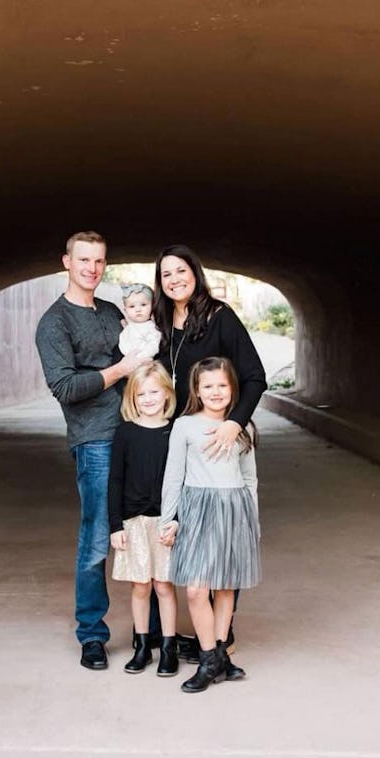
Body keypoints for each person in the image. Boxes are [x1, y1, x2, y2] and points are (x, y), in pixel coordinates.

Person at [35, 230, 144, 671]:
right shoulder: (54, 322)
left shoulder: (112, 312)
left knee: (146, 528)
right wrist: (119, 370)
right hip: (96, 439)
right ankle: (92, 635)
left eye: (99, 261)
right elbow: (65, 386)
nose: (92, 269)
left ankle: (152, 629)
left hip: (137, 431)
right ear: (67, 261)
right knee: (98, 535)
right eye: (84, 260)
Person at [152, 243, 266, 656]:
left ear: (195, 273)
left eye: (181, 271)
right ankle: (161, 633)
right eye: (166, 274)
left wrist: (234, 423)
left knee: (224, 538)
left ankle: (222, 636)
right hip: (175, 434)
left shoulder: (221, 318)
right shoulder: (160, 323)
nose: (174, 279)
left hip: (218, 436)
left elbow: (254, 377)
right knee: (178, 528)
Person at [160, 357, 261, 693]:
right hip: (198, 509)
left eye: (222, 385)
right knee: (196, 589)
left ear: (232, 389)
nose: (215, 392)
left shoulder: (243, 427)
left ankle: (219, 654)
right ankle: (208, 658)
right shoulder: (185, 426)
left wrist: (253, 523)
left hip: (234, 508)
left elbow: (250, 479)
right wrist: (168, 519)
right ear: (197, 391)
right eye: (208, 386)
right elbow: (173, 476)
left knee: (226, 587)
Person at [108, 361, 178, 676]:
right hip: (133, 521)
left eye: (154, 392)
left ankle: (168, 647)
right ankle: (141, 646)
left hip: (164, 520)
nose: (148, 399)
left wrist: (177, 520)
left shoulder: (175, 431)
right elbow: (115, 481)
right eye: (141, 394)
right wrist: (115, 525)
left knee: (164, 585)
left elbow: (183, 480)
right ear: (132, 398)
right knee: (140, 586)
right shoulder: (125, 433)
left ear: (166, 394)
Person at [118, 283, 162, 359]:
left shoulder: (152, 328)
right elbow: (123, 343)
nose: (138, 310)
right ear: (125, 310)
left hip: (145, 362)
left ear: (152, 306)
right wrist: (129, 356)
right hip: (128, 362)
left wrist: (139, 357)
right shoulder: (128, 329)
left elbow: (154, 346)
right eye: (132, 306)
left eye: (143, 305)